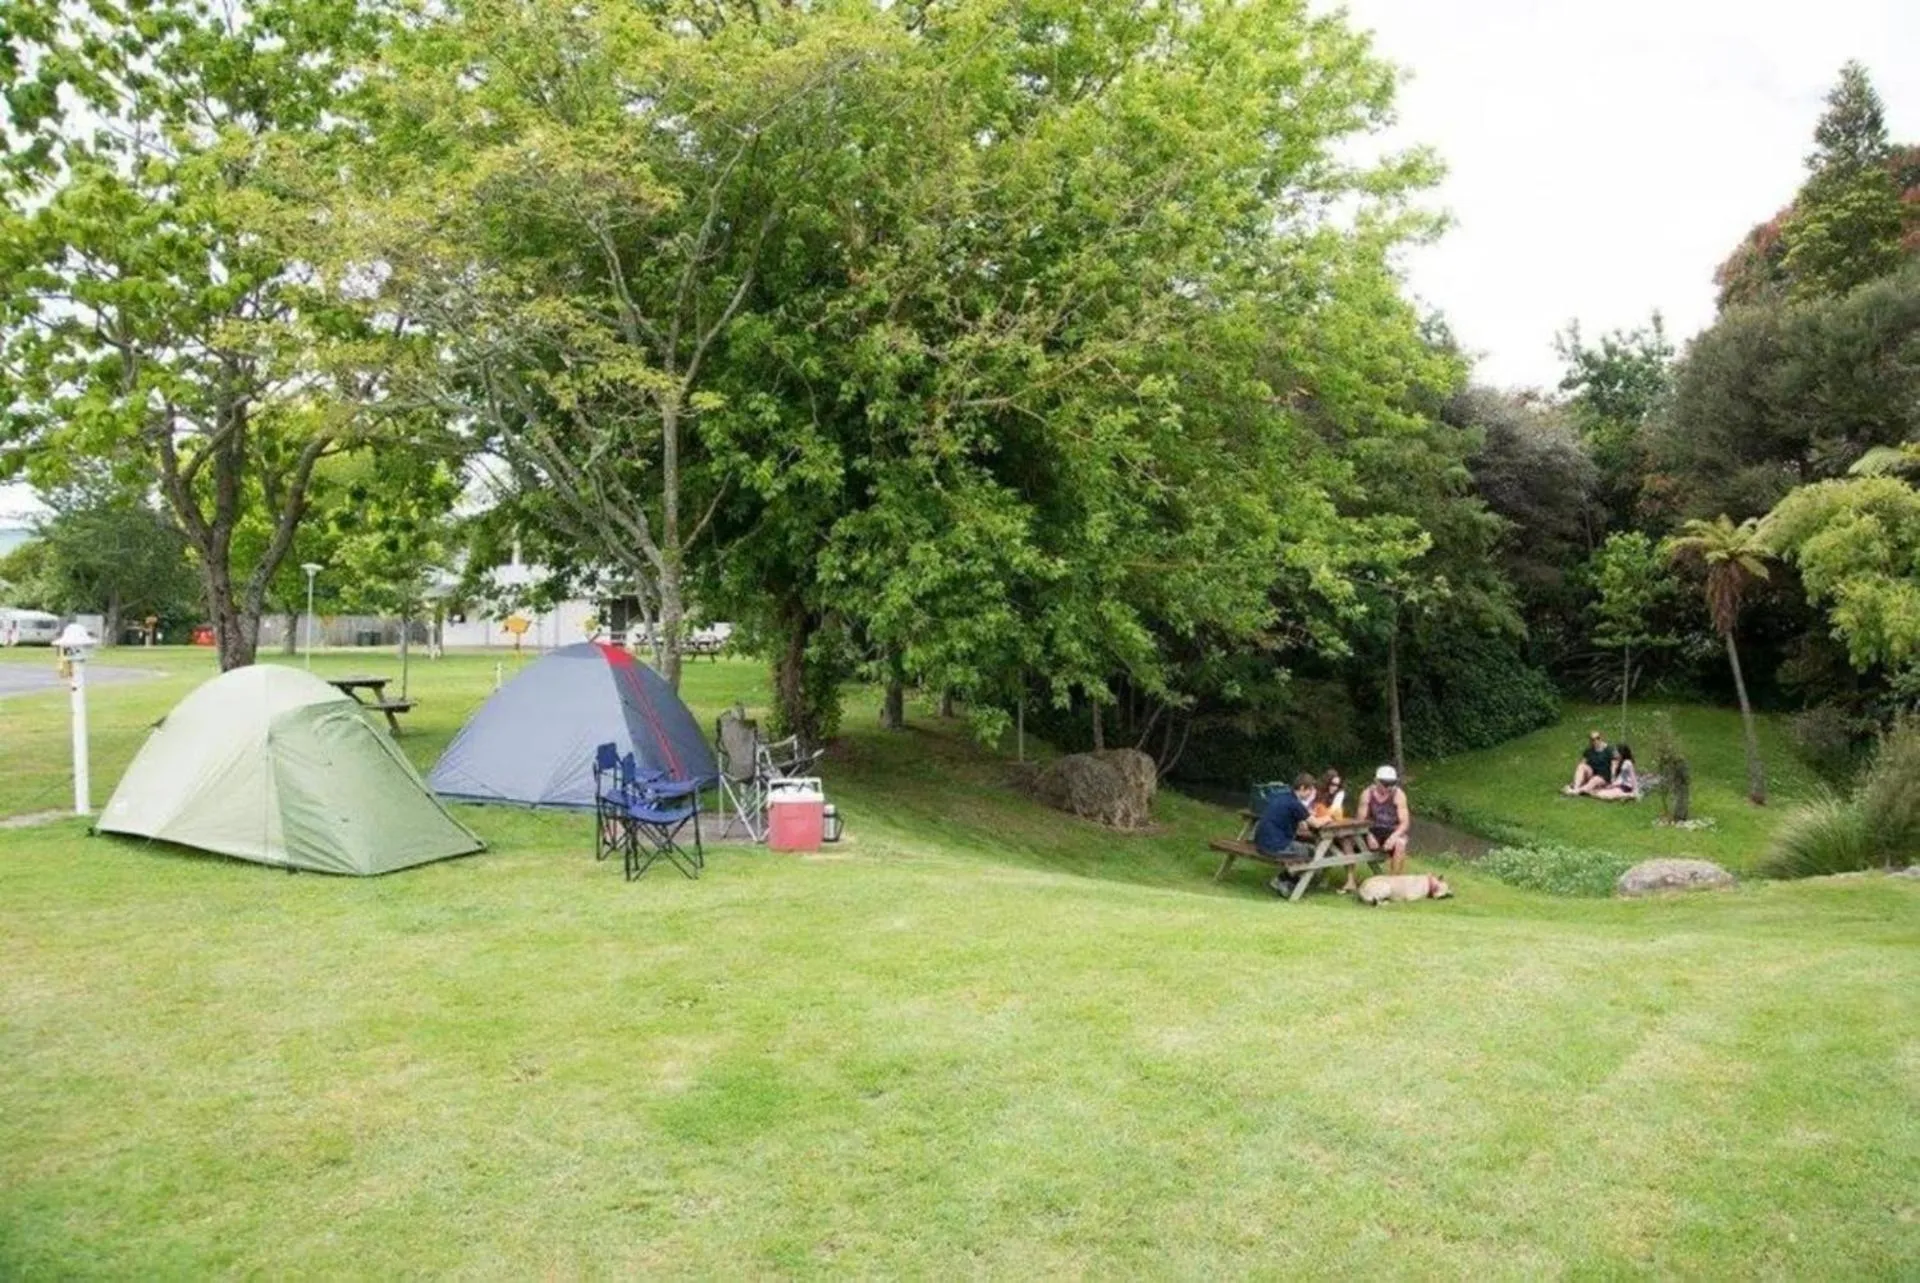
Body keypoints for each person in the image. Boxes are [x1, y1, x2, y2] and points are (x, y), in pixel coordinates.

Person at [1254, 773, 1319, 896]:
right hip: (1274, 845)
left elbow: (1289, 816)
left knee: (1301, 848)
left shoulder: (1281, 796)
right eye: (1310, 790)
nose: (1311, 794)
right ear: (1302, 788)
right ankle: (1286, 883)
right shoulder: (1295, 804)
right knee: (1311, 852)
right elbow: (1316, 824)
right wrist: (1328, 818)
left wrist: (1300, 821)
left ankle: (1281, 880)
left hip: (1260, 842)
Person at [1361, 765, 1410, 875]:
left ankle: (1394, 879)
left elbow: (1404, 822)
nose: (1388, 787)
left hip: (1391, 830)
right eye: (1385, 784)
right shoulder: (1367, 794)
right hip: (1372, 830)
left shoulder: (1399, 795)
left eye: (1392, 784)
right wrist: (1368, 835)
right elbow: (1360, 820)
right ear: (1376, 781)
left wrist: (1394, 836)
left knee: (1400, 843)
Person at [1563, 730, 1614, 796]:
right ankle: (1576, 787)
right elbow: (1582, 764)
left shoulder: (1609, 750)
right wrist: (1575, 780)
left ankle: (1576, 792)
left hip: (1603, 777)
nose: (1596, 741)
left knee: (1595, 779)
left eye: (1598, 738)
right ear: (1590, 741)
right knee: (1581, 766)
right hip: (1592, 774)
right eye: (1593, 739)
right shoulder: (1589, 751)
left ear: (1601, 738)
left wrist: (1613, 780)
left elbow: (1614, 765)